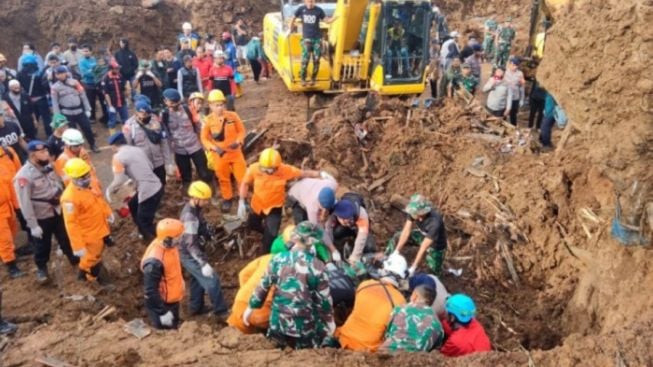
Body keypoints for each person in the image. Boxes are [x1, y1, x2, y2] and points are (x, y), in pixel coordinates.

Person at [244, 221, 334, 349]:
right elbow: (324, 301)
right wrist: (329, 322)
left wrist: (251, 307)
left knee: (275, 352)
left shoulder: (278, 259)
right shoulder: (318, 266)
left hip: (278, 322)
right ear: (312, 242)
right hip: (304, 325)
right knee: (304, 355)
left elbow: (263, 286)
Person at [237, 147, 329, 253]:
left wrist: (320, 174)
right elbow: (245, 183)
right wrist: (241, 201)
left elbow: (303, 173)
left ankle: (265, 252)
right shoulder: (254, 169)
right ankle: (265, 232)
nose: (267, 171)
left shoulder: (285, 170)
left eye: (270, 169)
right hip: (257, 205)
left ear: (277, 167)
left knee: (270, 238)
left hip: (274, 208)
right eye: (264, 169)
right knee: (252, 224)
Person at [14, 141, 79, 282]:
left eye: (46, 152)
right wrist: (33, 225)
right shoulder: (24, 176)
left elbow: (57, 182)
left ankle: (75, 261)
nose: (47, 155)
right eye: (42, 153)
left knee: (66, 238)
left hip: (57, 210)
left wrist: (59, 193)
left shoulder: (48, 166)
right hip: (41, 216)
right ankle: (42, 269)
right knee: (43, 245)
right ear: (32, 155)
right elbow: (24, 203)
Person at [336, 253, 408, 351]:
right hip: (367, 350)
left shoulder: (365, 285)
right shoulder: (400, 301)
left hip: (344, 338)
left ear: (384, 269)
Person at [179, 181, 229, 317]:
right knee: (212, 280)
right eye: (205, 200)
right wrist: (202, 263)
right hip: (189, 254)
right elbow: (190, 244)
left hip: (193, 251)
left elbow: (201, 226)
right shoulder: (189, 217)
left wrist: (207, 231)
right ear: (196, 198)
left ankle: (196, 307)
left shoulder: (195, 209)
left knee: (196, 280)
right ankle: (221, 312)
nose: (207, 202)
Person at [60, 158, 113, 283]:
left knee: (97, 254)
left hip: (100, 228)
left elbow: (99, 200)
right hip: (89, 235)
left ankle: (88, 273)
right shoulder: (69, 198)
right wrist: (78, 246)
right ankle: (90, 279)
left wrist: (108, 212)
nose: (86, 179)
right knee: (91, 259)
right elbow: (71, 224)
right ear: (72, 178)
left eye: (86, 176)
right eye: (81, 178)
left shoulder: (88, 186)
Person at [106, 132, 163, 242]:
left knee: (144, 221)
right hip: (157, 185)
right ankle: (143, 233)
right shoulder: (137, 149)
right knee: (133, 204)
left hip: (148, 192)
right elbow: (150, 166)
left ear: (113, 146)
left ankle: (160, 238)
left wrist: (109, 190)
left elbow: (119, 180)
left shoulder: (117, 157)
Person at [200, 90, 246, 212]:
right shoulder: (208, 121)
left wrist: (239, 141)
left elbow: (241, 131)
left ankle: (243, 198)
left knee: (242, 177)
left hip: (235, 153)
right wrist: (213, 148)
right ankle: (227, 198)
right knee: (223, 178)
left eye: (221, 105)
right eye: (216, 105)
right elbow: (204, 138)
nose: (220, 108)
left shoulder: (233, 116)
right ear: (210, 106)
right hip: (219, 155)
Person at [160, 88, 211, 190]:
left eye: (175, 102)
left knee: (204, 172)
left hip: (194, 146)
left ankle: (208, 191)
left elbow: (197, 126)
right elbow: (165, 134)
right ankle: (187, 195)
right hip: (179, 150)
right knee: (185, 176)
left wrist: (203, 142)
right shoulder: (164, 115)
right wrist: (170, 156)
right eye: (171, 102)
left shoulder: (188, 110)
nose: (174, 105)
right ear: (166, 102)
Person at [142, 218, 185, 329]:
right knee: (166, 333)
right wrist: (162, 312)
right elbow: (150, 292)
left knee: (174, 325)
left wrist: (181, 281)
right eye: (178, 238)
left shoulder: (170, 247)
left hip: (172, 298)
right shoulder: (154, 263)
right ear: (167, 239)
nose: (180, 240)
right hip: (163, 304)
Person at [391, 194, 447, 276]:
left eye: (419, 215)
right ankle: (389, 258)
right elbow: (406, 231)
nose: (416, 217)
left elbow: (424, 247)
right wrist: (396, 251)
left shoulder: (435, 223)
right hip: (422, 235)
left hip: (436, 245)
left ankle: (439, 271)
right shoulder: (413, 212)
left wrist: (413, 267)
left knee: (432, 273)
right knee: (397, 236)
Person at [123, 101, 174, 186]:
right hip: (144, 164)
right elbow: (128, 149)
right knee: (149, 187)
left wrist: (168, 162)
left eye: (148, 114)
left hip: (158, 162)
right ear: (136, 113)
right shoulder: (129, 126)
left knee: (162, 184)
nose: (147, 116)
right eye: (144, 114)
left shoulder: (155, 120)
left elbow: (163, 142)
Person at [381, 284, 444, 352]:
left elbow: (386, 333)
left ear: (415, 296)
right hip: (413, 360)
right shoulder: (438, 324)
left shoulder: (399, 309)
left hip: (385, 354)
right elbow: (435, 349)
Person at [50, 65, 98, 152]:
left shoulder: (75, 82)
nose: (60, 75)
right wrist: (57, 116)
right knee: (72, 132)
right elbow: (55, 102)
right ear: (56, 75)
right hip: (67, 113)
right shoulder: (55, 87)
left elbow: (83, 95)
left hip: (79, 111)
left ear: (66, 73)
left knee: (87, 128)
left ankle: (93, 144)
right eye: (58, 74)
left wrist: (88, 109)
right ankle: (77, 149)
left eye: (62, 73)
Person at [289, 0, 336, 86]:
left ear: (314, 2)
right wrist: (291, 28)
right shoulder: (301, 9)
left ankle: (313, 79)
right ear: (305, 2)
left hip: (317, 39)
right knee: (305, 60)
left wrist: (335, 17)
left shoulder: (319, 10)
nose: (310, 4)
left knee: (316, 60)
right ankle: (303, 79)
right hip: (306, 39)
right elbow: (293, 18)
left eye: (312, 2)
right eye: (309, 2)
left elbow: (327, 21)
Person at [227, 253, 275, 333]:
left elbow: (242, 274)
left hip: (241, 302)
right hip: (264, 309)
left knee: (236, 331)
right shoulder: (290, 264)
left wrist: (246, 291)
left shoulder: (265, 258)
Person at [323, 194, 375, 263]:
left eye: (348, 219)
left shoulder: (362, 215)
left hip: (357, 227)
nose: (346, 222)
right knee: (336, 233)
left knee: (369, 247)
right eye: (343, 220)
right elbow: (328, 229)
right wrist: (331, 249)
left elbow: (362, 237)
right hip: (343, 228)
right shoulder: (334, 213)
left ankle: (353, 238)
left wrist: (355, 257)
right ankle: (342, 242)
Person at [54, 128, 102, 195]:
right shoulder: (62, 161)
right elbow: (68, 182)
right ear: (67, 145)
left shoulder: (82, 152)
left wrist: (95, 183)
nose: (79, 147)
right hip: (80, 192)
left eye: (81, 144)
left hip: (93, 186)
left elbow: (90, 168)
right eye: (76, 145)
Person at [17, 54, 52, 137]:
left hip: (29, 100)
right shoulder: (39, 73)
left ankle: (33, 136)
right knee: (46, 118)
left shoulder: (20, 74)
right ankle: (49, 135)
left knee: (33, 119)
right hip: (41, 99)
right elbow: (45, 86)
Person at [0, 148, 23, 278]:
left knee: (12, 230)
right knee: (4, 238)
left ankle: (9, 254)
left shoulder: (6, 152)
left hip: (8, 203)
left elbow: (12, 180)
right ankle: (11, 265)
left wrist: (16, 204)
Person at [101, 61, 129, 134]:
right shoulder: (105, 78)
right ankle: (113, 137)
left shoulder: (120, 76)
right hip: (112, 103)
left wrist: (126, 97)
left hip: (122, 102)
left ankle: (125, 135)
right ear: (111, 69)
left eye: (118, 68)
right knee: (112, 121)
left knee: (125, 120)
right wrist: (110, 106)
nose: (118, 70)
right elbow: (106, 93)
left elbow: (124, 88)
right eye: (116, 68)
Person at [78, 45, 100, 124]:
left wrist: (93, 71)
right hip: (88, 84)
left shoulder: (94, 59)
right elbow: (85, 73)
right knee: (91, 101)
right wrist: (94, 72)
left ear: (91, 51)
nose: (85, 53)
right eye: (84, 51)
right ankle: (92, 117)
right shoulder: (81, 61)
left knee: (101, 99)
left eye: (87, 51)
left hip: (97, 82)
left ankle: (105, 116)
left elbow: (99, 69)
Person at [504, 56, 525, 126]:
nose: (514, 67)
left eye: (516, 65)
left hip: (515, 97)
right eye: (513, 65)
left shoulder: (520, 74)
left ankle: (513, 127)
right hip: (505, 97)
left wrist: (522, 99)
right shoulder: (505, 72)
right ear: (510, 64)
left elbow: (522, 88)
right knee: (504, 113)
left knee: (513, 115)